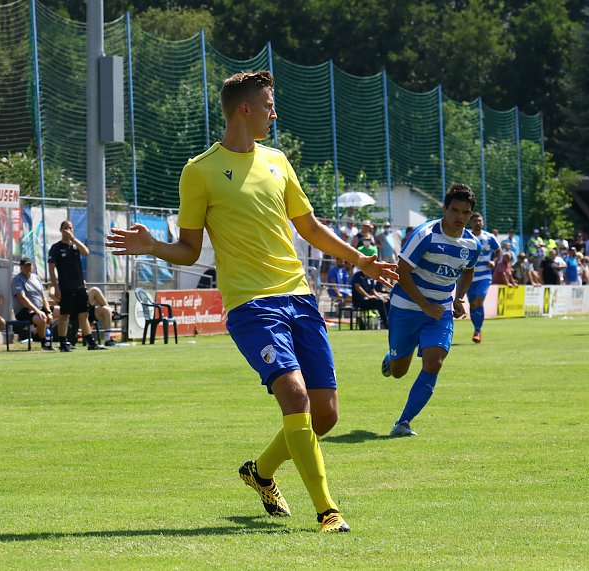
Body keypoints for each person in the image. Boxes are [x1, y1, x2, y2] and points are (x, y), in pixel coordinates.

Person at [106, 70, 397, 533]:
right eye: (268, 105)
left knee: (325, 415)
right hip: (251, 306)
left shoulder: (279, 161)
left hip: (299, 298)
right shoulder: (199, 170)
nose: (273, 112)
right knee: (296, 397)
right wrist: (152, 245)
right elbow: (188, 248)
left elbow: (310, 228)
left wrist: (360, 260)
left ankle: (260, 473)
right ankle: (328, 510)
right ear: (245, 109)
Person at [379, 184, 480, 437]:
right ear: (444, 209)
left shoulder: (472, 244)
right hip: (406, 307)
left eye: (465, 212)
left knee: (434, 362)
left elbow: (468, 270)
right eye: (454, 210)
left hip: (440, 311)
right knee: (399, 371)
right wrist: (424, 305)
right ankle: (392, 359)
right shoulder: (425, 235)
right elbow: (402, 272)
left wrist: (459, 298)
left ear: (470, 214)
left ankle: (403, 422)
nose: (459, 217)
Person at [48, 220, 107, 352]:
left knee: (84, 314)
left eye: (70, 228)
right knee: (65, 315)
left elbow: (86, 252)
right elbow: (51, 270)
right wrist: (56, 287)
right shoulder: (56, 248)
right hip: (65, 287)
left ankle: (91, 342)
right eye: (65, 228)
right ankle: (63, 342)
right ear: (60, 230)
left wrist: (73, 239)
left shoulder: (75, 246)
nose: (68, 230)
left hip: (79, 286)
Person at [466, 212, 500, 344]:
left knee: (479, 300)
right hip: (469, 276)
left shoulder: (489, 237)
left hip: (484, 275)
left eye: (480, 221)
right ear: (471, 223)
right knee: (473, 304)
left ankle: (477, 331)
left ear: (483, 222)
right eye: (475, 221)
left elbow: (498, 250)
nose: (478, 223)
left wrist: (494, 261)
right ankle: (476, 328)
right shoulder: (466, 236)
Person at [11, 257, 54, 350]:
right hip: (24, 311)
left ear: (32, 266)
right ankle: (44, 342)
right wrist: (38, 311)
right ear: (21, 267)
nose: (27, 268)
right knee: (42, 318)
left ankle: (66, 340)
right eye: (25, 266)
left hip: (39, 308)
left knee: (62, 311)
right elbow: (22, 298)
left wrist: (49, 312)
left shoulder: (36, 277)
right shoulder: (17, 279)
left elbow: (43, 297)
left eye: (29, 265)